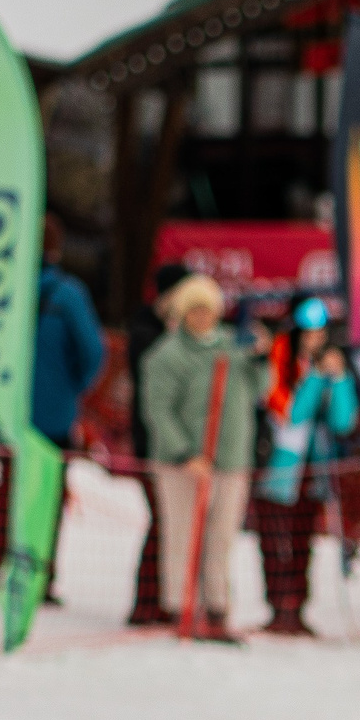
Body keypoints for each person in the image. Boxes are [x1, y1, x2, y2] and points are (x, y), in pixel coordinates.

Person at [0, 214, 105, 602]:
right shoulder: (68, 294)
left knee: (10, 483)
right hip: (54, 413)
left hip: (9, 407)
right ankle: (39, 572)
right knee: (47, 493)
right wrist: (72, 388)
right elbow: (92, 352)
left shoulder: (1, 287)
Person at [137, 273, 263, 642]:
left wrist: (261, 359)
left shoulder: (233, 348)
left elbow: (261, 390)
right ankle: (182, 608)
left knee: (221, 537)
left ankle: (218, 608)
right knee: (182, 534)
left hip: (231, 459)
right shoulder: (166, 355)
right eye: (194, 310)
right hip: (183, 464)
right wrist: (184, 453)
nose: (202, 317)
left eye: (207, 309)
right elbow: (158, 409)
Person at [254, 297, 356, 637]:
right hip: (277, 468)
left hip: (313, 470)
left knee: (302, 542)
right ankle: (278, 605)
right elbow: (292, 412)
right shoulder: (277, 358)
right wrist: (314, 380)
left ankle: (296, 606)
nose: (315, 339)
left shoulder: (328, 365)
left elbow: (343, 422)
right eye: (309, 332)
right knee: (274, 541)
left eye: (321, 332)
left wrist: (339, 379)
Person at [123, 263, 190, 625]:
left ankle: (167, 598)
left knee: (172, 521)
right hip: (151, 440)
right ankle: (148, 601)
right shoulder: (145, 329)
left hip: (181, 441)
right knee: (163, 518)